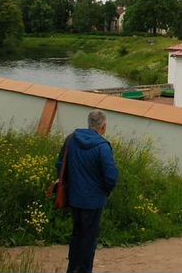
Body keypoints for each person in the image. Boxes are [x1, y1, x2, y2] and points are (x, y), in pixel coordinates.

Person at [56, 110, 119, 273]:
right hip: (94, 201)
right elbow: (111, 177)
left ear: (89, 123)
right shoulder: (102, 146)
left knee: (77, 235)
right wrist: (105, 191)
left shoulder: (71, 139)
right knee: (89, 239)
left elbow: (59, 165)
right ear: (103, 127)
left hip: (74, 198)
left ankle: (72, 269)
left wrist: (71, 184)